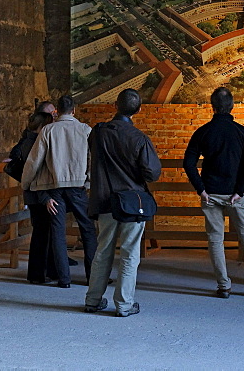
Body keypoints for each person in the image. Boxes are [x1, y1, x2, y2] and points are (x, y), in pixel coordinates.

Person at [183, 87, 244, 299]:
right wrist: (239, 190)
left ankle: (223, 286)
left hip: (210, 193)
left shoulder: (203, 131)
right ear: (232, 106)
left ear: (212, 107)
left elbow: (188, 163)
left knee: (215, 239)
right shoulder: (242, 132)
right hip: (235, 194)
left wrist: (201, 189)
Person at [84, 89, 161, 317]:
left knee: (103, 251)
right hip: (131, 204)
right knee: (130, 253)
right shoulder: (139, 139)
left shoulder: (98, 132)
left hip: (105, 200)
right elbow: (152, 173)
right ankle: (124, 305)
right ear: (138, 110)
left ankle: (93, 300)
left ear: (115, 105)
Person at [21, 95, 97, 288]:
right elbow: (92, 160)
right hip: (78, 188)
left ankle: (64, 279)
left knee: (57, 232)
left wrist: (26, 183)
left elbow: (34, 161)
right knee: (87, 230)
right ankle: (93, 277)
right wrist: (87, 181)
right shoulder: (85, 130)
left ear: (58, 112)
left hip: (54, 188)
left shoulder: (48, 130)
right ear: (74, 110)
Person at [6, 111, 57, 284]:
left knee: (43, 233)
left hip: (34, 194)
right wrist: (45, 197)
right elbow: (36, 174)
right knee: (42, 234)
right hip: (38, 194)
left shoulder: (28, 140)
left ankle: (46, 271)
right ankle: (38, 274)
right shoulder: (34, 143)